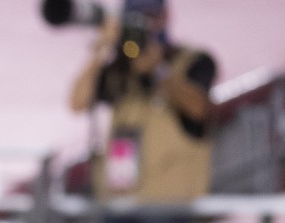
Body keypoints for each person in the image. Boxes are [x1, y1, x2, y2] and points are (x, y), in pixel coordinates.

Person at [68, 0, 216, 205]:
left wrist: (159, 72)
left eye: (150, 17)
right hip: (119, 201)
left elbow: (199, 109)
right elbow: (77, 102)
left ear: (165, 17)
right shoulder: (120, 70)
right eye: (135, 19)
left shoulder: (192, 61)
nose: (144, 25)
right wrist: (100, 50)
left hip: (171, 205)